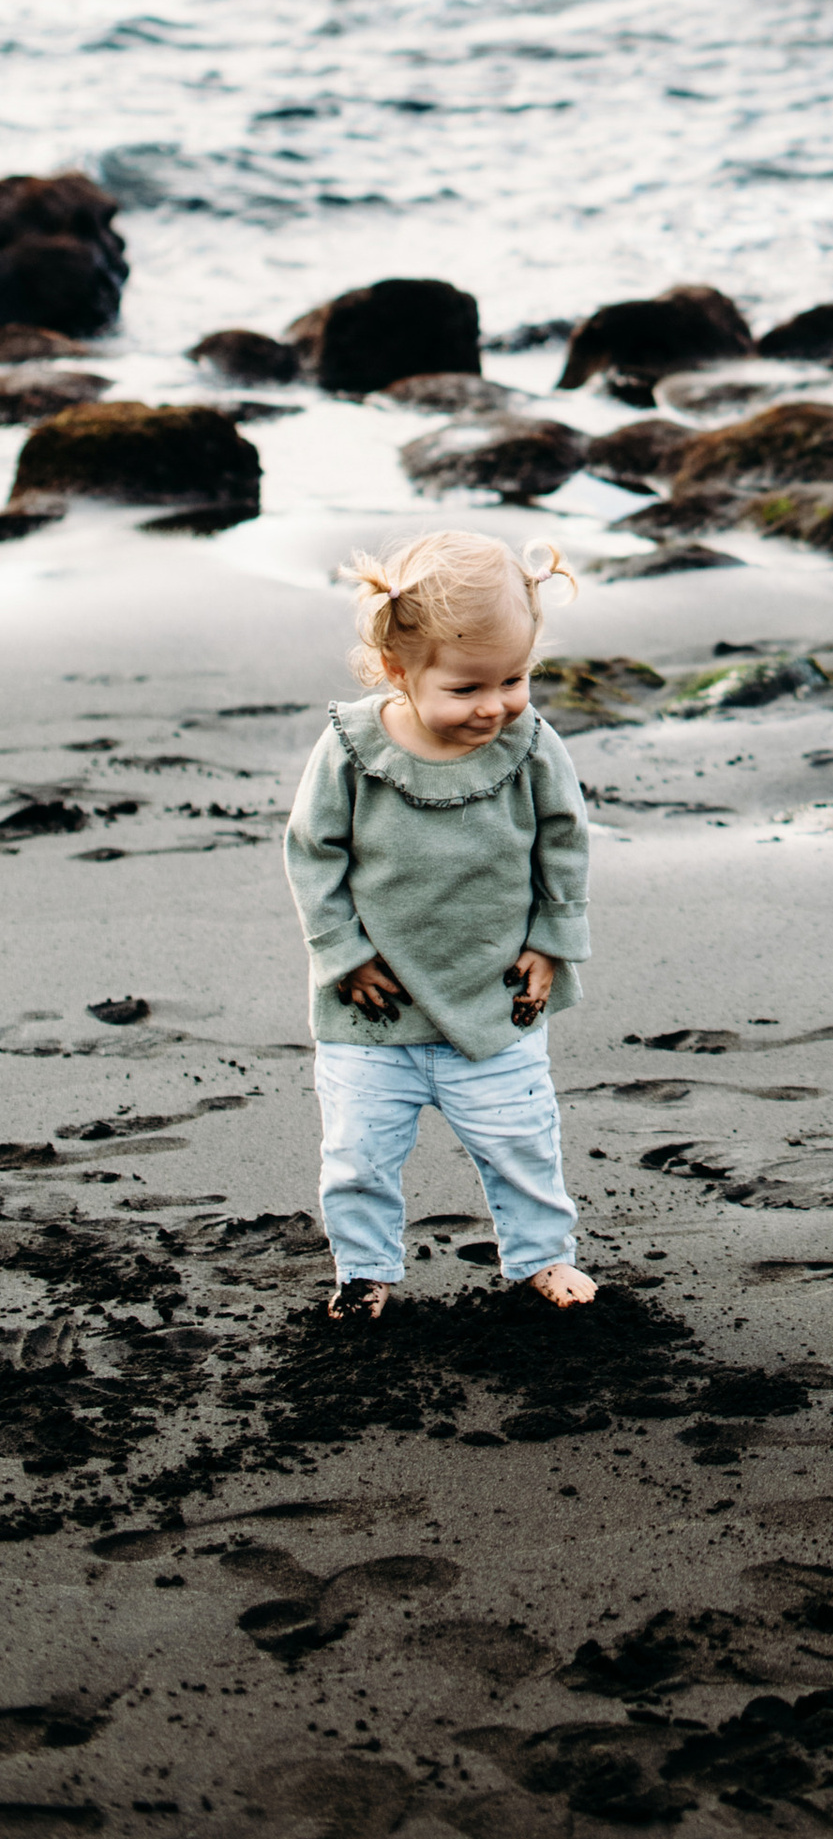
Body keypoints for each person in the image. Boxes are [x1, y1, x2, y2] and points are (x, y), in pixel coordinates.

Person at [284, 529, 598, 1319]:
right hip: (372, 1005)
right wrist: (341, 953)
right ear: (398, 670)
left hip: (495, 996)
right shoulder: (350, 751)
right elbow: (312, 854)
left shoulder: (528, 745)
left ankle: (541, 1259)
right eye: (466, 688)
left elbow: (564, 840)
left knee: (523, 1144)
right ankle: (363, 1274)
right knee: (356, 1156)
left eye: (515, 679)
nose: (494, 705)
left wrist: (551, 941)